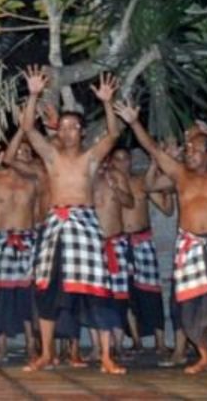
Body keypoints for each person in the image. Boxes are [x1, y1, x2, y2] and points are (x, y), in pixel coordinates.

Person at [116, 100, 207, 375]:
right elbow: (154, 150)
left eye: (195, 149)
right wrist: (134, 122)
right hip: (190, 244)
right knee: (191, 305)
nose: (189, 152)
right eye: (188, 149)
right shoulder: (180, 174)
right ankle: (204, 355)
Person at [16, 69, 127, 374]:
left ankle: (105, 356)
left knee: (97, 289)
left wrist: (107, 102)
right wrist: (34, 93)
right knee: (47, 291)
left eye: (73, 127)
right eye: (62, 127)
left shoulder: (91, 157)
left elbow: (114, 134)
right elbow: (27, 128)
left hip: (84, 224)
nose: (66, 132)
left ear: (81, 132)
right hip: (54, 225)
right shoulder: (50, 156)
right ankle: (47, 354)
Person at [0, 135, 42, 364]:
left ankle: (32, 346)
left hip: (26, 238)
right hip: (0, 239)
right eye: (20, 150)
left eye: (28, 151)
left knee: (28, 295)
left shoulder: (34, 181)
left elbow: (37, 212)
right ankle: (1, 347)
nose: (24, 155)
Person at [112, 147, 174, 356]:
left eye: (125, 159)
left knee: (152, 293)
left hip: (143, 240)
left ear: (131, 161)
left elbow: (167, 209)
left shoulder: (141, 183)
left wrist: (167, 188)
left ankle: (160, 342)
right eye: (117, 159)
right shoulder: (106, 185)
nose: (122, 164)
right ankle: (136, 341)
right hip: (120, 242)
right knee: (125, 295)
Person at [88, 151, 135, 366]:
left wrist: (115, 188)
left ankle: (118, 345)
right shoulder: (85, 178)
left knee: (119, 299)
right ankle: (97, 348)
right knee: (94, 297)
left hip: (115, 243)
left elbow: (130, 202)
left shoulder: (116, 176)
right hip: (93, 246)